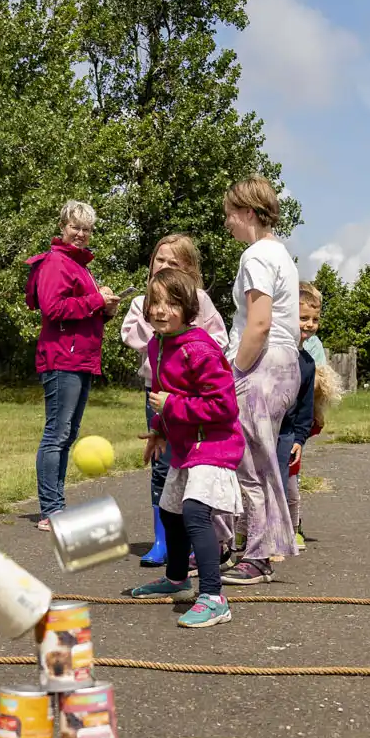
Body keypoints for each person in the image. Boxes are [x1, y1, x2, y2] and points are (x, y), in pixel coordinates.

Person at [123, 268, 241, 628]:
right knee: (170, 510)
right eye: (154, 302)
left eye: (171, 303)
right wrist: (159, 430)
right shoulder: (157, 345)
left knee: (193, 512)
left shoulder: (199, 349)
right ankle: (177, 580)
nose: (160, 310)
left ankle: (213, 597)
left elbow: (225, 407)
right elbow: (162, 395)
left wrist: (172, 408)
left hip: (215, 444)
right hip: (187, 444)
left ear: (188, 307)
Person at [121, 234, 228, 566]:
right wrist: (156, 320)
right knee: (160, 463)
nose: (164, 266)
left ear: (189, 269)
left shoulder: (200, 301)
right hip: (156, 393)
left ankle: (198, 538)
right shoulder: (142, 302)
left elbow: (221, 339)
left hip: (190, 394)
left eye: (173, 262)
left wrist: (189, 335)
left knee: (193, 464)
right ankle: (162, 540)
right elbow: (129, 334)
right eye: (159, 260)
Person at [221, 176, 302, 583]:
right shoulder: (282, 255)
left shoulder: (255, 256)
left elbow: (260, 323)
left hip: (261, 367)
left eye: (230, 215)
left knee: (250, 464)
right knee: (262, 459)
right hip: (284, 365)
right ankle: (261, 549)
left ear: (249, 213)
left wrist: (235, 370)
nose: (228, 223)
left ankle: (257, 555)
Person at [25, 200, 118, 528]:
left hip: (79, 357)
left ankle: (56, 505)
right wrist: (96, 300)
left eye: (86, 229)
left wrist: (106, 309)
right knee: (57, 433)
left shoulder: (80, 266)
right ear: (62, 227)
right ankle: (51, 509)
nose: (80, 233)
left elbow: (80, 310)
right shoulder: (56, 262)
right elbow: (53, 308)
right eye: (75, 227)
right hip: (62, 357)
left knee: (66, 433)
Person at [277, 283, 324, 551]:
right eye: (303, 318)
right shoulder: (272, 352)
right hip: (264, 428)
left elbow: (306, 407)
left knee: (288, 487)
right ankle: (246, 532)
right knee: (254, 485)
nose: (309, 324)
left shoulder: (307, 362)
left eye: (314, 320)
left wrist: (300, 438)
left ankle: (289, 530)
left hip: (288, 433)